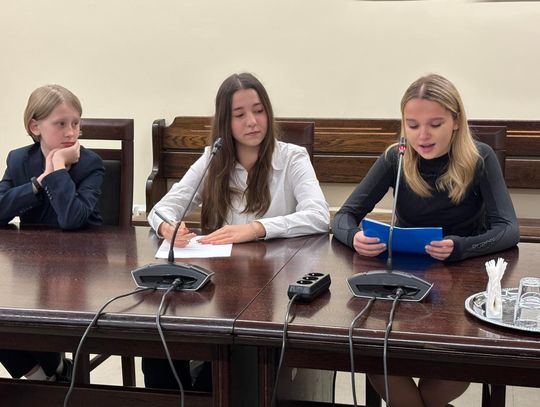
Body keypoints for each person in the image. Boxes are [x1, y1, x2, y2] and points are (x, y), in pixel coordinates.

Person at [332, 74, 519, 406]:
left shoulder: (480, 157)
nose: (422, 135)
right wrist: (354, 237)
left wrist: (460, 247)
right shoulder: (396, 157)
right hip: (405, 285)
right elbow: (344, 216)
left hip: (462, 288)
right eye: (412, 125)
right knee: (379, 358)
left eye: (435, 124)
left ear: (456, 121)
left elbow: (508, 229)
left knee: (448, 375)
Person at [144, 72, 330, 390]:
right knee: (158, 349)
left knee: (223, 376)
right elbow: (162, 208)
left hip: (273, 291)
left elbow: (319, 216)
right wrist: (166, 226)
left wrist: (256, 228)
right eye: (239, 115)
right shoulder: (212, 158)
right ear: (225, 123)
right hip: (220, 290)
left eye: (258, 111)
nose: (252, 122)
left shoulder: (292, 157)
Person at [0, 84, 104, 382]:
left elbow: (71, 219)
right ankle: (48, 375)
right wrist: (38, 183)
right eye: (61, 124)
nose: (71, 132)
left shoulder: (90, 164)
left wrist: (57, 167)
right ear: (35, 127)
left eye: (76, 123)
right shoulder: (19, 159)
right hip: (33, 267)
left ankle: (48, 377)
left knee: (34, 318)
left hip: (79, 270)